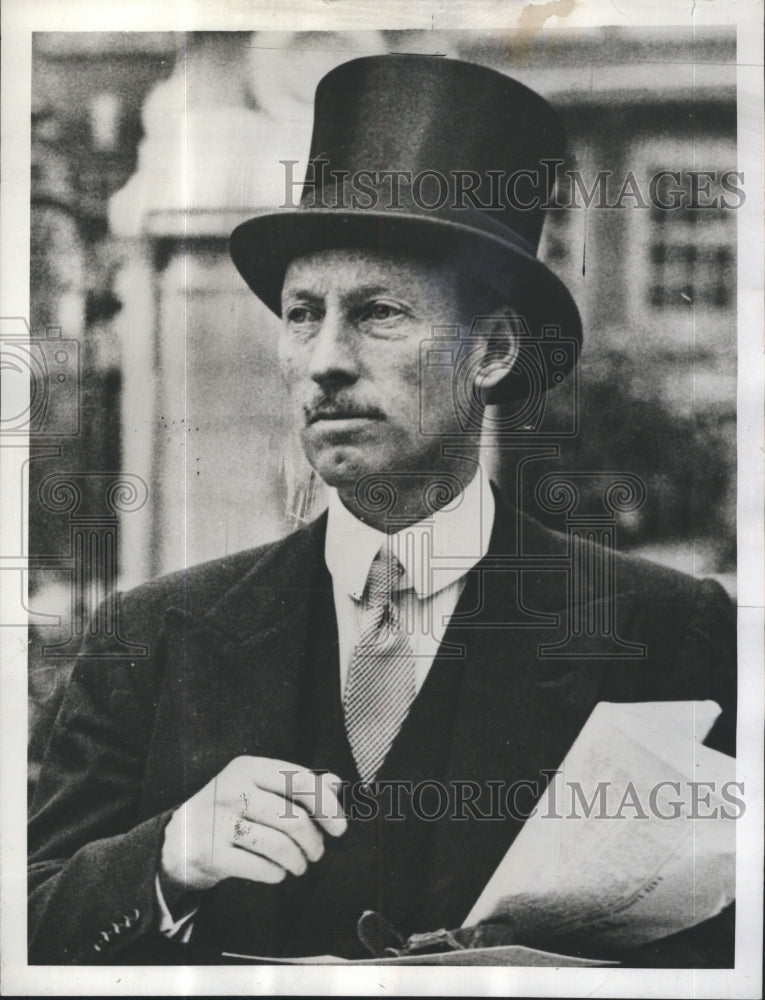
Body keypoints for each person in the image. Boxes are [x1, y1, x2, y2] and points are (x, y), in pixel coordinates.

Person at [28, 54, 736, 966]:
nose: (324, 359)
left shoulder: (663, 629)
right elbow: (30, 932)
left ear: (491, 351)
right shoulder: (153, 637)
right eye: (300, 314)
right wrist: (164, 860)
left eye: (377, 314)